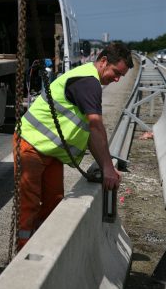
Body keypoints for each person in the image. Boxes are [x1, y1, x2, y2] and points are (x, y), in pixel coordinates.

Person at [13, 42, 134, 250]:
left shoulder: (90, 81)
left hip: (51, 151)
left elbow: (90, 134)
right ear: (103, 61)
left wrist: (106, 165)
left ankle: (43, 246)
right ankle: (23, 255)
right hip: (30, 144)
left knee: (54, 202)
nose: (117, 79)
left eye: (121, 76)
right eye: (116, 73)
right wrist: (106, 167)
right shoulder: (88, 82)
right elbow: (96, 127)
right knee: (29, 204)